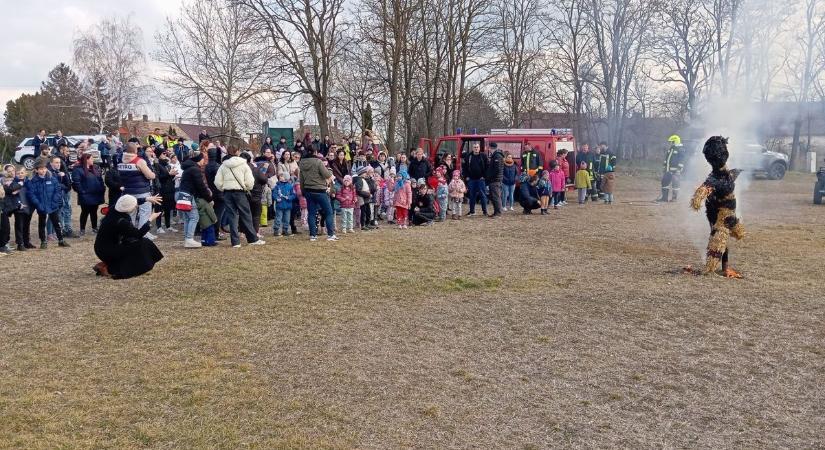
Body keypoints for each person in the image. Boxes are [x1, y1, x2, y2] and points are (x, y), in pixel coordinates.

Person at [689, 136, 745, 278]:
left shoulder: (724, 175)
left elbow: (730, 176)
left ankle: (724, 267)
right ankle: (712, 268)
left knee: (736, 233)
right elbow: (702, 192)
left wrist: (737, 171)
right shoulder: (714, 178)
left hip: (728, 213)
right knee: (719, 240)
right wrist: (698, 199)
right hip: (718, 213)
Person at [93, 195, 163, 279]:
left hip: (102, 248)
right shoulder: (121, 221)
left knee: (138, 242)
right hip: (108, 251)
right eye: (134, 205)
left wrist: (147, 199)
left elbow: (127, 202)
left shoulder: (114, 209)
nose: (136, 206)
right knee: (142, 243)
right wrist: (150, 219)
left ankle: (109, 264)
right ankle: (110, 268)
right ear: (128, 208)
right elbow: (138, 234)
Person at [214, 147, 265, 248]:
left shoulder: (223, 166)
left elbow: (217, 182)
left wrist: (223, 188)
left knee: (232, 217)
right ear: (237, 152)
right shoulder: (243, 164)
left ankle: (235, 242)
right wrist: (247, 188)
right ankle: (252, 239)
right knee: (246, 215)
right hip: (240, 192)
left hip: (227, 193)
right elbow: (250, 181)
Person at [26, 160, 70, 249]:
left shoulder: (52, 178)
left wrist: (54, 202)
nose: (43, 171)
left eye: (44, 168)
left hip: (52, 206)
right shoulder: (33, 181)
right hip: (41, 206)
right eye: (41, 169)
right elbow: (31, 195)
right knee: (42, 224)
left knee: (56, 223)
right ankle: (43, 241)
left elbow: (57, 191)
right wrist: (38, 205)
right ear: (36, 170)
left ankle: (61, 240)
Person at [118, 142, 158, 237]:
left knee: (130, 213)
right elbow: (150, 176)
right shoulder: (139, 161)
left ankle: (129, 233)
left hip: (127, 191)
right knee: (145, 212)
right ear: (135, 150)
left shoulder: (120, 160)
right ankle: (143, 233)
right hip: (142, 191)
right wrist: (153, 174)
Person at [298, 145, 337, 241]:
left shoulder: (301, 163)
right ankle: (331, 235)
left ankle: (313, 236)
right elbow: (327, 175)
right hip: (320, 190)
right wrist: (329, 171)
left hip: (308, 190)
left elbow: (301, 179)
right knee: (328, 212)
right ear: (315, 152)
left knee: (311, 213)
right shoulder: (318, 162)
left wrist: (303, 191)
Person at [178, 152, 213, 248]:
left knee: (187, 218)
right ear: (199, 159)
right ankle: (189, 239)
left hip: (182, 194)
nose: (204, 161)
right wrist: (209, 198)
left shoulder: (188, 168)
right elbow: (201, 186)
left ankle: (187, 238)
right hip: (188, 195)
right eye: (203, 159)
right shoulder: (195, 169)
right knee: (194, 217)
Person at [71, 153, 105, 236]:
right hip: (85, 195)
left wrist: (102, 188)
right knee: (85, 212)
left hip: (96, 194)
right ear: (86, 160)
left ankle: (94, 227)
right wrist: (81, 191)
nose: (93, 160)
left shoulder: (95, 168)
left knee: (94, 212)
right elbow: (76, 182)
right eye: (91, 159)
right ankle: (82, 229)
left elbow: (100, 179)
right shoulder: (78, 170)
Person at [242, 152, 268, 236]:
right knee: (256, 215)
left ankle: (242, 232)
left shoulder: (240, 169)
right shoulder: (255, 169)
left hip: (244, 194)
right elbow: (264, 179)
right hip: (256, 194)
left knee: (244, 214)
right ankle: (255, 232)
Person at [9, 168, 34, 251]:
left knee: (27, 225)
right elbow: (12, 195)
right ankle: (20, 243)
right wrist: (18, 204)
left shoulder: (28, 182)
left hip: (28, 207)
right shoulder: (13, 183)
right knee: (19, 226)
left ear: (26, 173)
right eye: (18, 173)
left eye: (22, 172)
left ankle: (26, 242)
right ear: (16, 174)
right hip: (19, 208)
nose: (20, 174)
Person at [153, 152, 178, 233]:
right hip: (161, 190)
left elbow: (169, 176)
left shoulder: (167, 165)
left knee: (168, 208)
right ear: (159, 155)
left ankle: (168, 226)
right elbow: (158, 177)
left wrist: (173, 174)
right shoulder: (157, 165)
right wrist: (168, 174)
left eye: (165, 154)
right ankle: (159, 227)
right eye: (163, 153)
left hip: (169, 189)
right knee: (159, 209)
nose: (165, 155)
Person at [657, 135, 685, 202]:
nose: (671, 143)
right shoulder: (671, 148)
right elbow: (667, 159)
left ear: (675, 141)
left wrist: (678, 170)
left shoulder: (680, 149)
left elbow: (682, 161)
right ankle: (664, 198)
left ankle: (674, 198)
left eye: (672, 141)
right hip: (668, 170)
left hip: (675, 171)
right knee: (664, 182)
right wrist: (664, 167)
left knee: (675, 184)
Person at [464, 143, 488, 216]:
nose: (476, 148)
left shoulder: (483, 156)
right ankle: (472, 211)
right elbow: (464, 167)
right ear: (472, 148)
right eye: (475, 147)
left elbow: (487, 166)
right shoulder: (469, 156)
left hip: (481, 179)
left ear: (479, 148)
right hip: (471, 179)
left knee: (483, 195)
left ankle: (485, 212)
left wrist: (484, 176)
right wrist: (466, 176)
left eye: (477, 147)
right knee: (472, 195)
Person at [272, 172, 296, 236]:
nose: (280, 177)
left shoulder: (290, 186)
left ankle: (285, 230)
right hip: (279, 205)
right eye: (280, 176)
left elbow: (293, 195)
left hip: (288, 206)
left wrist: (289, 198)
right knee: (278, 218)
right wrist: (277, 198)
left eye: (282, 176)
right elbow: (274, 194)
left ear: (286, 177)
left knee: (287, 219)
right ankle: (276, 230)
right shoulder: (277, 186)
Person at [486, 142, 504, 217]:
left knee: (496, 197)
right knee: (493, 197)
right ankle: (496, 212)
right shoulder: (495, 155)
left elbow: (497, 169)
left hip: (495, 180)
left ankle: (498, 212)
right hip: (494, 179)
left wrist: (490, 176)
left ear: (490, 148)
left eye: (489, 147)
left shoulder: (497, 156)